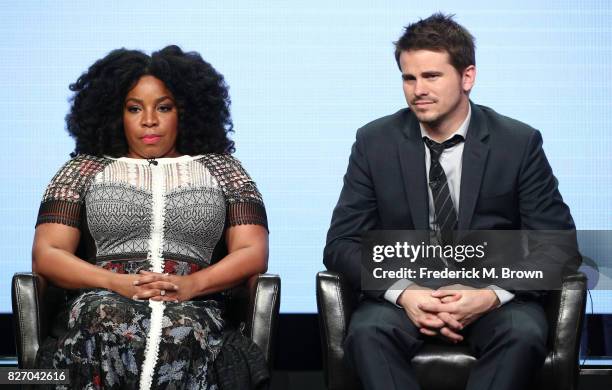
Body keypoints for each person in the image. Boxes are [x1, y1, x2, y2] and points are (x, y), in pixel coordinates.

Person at [323, 13, 580, 390]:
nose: (418, 90)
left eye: (431, 76)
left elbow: (559, 247)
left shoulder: (517, 143)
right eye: (409, 78)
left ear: (467, 77)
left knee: (522, 334)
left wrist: (490, 296)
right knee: (367, 333)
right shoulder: (374, 141)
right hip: (405, 294)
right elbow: (341, 244)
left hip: (493, 295)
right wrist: (404, 292)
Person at [33, 45, 269, 389]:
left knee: (181, 326)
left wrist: (191, 285)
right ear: (116, 114)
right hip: (102, 297)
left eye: (164, 107)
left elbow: (252, 251)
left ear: (185, 112)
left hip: (194, 300)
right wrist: (115, 283)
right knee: (106, 316)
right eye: (134, 108)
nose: (149, 121)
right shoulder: (82, 170)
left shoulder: (224, 170)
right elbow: (48, 253)